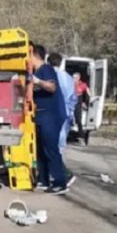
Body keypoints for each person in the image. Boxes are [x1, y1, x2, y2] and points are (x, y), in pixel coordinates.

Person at [30, 43, 68, 194]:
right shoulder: (36, 71)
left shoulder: (46, 69)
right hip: (40, 114)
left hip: (51, 115)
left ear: (34, 55)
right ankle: (43, 179)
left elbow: (52, 87)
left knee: (50, 148)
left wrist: (37, 81)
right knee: (40, 148)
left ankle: (60, 181)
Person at [48, 52, 77, 186]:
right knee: (58, 146)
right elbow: (73, 99)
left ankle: (64, 175)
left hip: (53, 114)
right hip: (65, 115)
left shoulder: (49, 76)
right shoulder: (69, 78)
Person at [73, 72, 91, 144]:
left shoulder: (83, 85)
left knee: (79, 121)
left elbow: (88, 93)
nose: (73, 79)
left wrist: (88, 101)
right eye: (73, 77)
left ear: (78, 78)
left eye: (75, 78)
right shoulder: (70, 84)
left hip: (78, 104)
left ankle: (81, 138)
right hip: (70, 104)